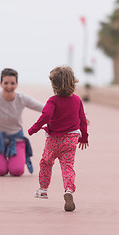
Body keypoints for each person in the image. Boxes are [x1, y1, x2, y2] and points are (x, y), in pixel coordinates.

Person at [28, 66, 89, 212]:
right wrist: (84, 137)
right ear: (72, 82)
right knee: (67, 166)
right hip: (72, 138)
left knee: (46, 162)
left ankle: (43, 189)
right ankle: (68, 190)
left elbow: (46, 116)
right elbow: (82, 119)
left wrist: (34, 128)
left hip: (54, 139)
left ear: (54, 84)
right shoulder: (77, 100)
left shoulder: (53, 100)